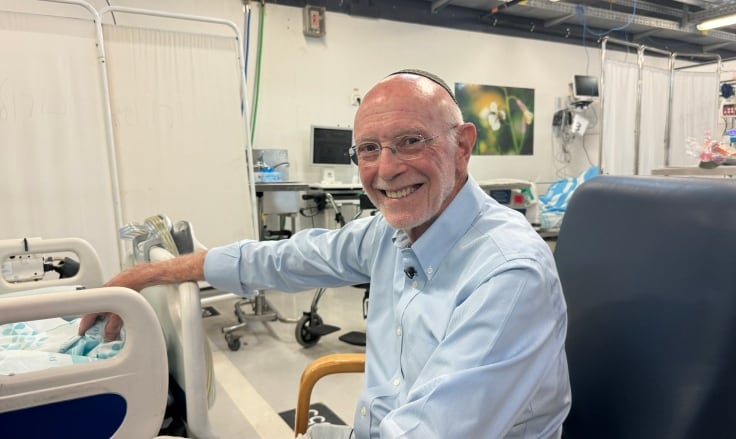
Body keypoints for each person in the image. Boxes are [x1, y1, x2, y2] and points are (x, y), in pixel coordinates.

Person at [80, 69, 571, 438]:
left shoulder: (507, 276)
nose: (387, 169)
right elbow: (283, 259)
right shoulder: (391, 233)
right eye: (369, 149)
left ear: (463, 145)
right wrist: (146, 275)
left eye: (410, 142)